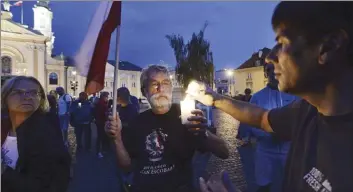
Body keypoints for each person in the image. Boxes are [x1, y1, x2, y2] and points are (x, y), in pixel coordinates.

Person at [189, 2, 353, 191]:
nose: (269, 57)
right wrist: (215, 98)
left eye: (282, 43)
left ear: (328, 47)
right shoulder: (305, 111)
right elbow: (262, 118)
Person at [105, 65, 229, 192]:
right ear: (144, 91)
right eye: (154, 84)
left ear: (171, 87)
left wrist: (203, 133)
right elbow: (126, 166)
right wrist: (117, 139)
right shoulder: (136, 122)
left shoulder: (187, 117)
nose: (161, 89)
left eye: (165, 83)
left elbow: (224, 152)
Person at [1, 76, 71, 192]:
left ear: (41, 99)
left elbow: (50, 183)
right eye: (18, 92)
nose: (27, 97)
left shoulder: (47, 132)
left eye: (33, 93)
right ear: (5, 97)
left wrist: (4, 171)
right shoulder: (3, 126)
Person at [241, 63, 298, 192]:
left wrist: (289, 133)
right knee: (263, 183)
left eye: (275, 68)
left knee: (293, 181)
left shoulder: (294, 95)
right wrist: (267, 133)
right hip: (265, 149)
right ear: (265, 73)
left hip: (289, 148)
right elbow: (251, 122)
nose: (273, 72)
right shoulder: (257, 97)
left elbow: (299, 119)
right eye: (269, 70)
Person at [116, 87, 140, 190]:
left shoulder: (131, 109)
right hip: (122, 142)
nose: (116, 98)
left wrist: (119, 124)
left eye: (117, 96)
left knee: (128, 169)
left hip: (129, 144)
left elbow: (132, 124)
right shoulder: (119, 108)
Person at [94, 91, 110, 158]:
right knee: (100, 137)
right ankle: (98, 152)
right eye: (107, 97)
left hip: (100, 121)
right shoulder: (101, 103)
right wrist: (107, 112)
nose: (107, 98)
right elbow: (102, 113)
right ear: (104, 97)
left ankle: (102, 150)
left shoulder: (101, 103)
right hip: (101, 122)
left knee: (102, 136)